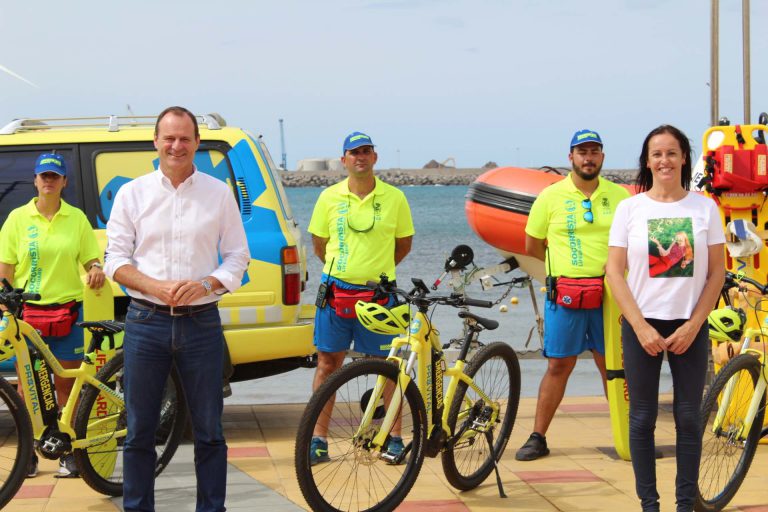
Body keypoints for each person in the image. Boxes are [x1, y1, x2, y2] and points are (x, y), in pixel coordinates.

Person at [104, 106, 250, 512]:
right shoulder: (133, 194)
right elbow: (115, 259)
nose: (176, 145)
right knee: (137, 432)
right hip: (145, 322)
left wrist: (206, 283)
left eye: (185, 138)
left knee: (209, 431)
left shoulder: (218, 193)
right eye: (169, 138)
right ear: (155, 142)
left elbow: (238, 256)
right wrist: (156, 286)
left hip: (202, 323)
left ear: (197, 144)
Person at [605, 125, 725, 512]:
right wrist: (639, 326)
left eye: (672, 153)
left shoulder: (705, 207)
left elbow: (717, 274)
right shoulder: (630, 208)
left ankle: (685, 504)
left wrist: (693, 325)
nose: (664, 160)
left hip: (689, 325)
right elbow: (613, 271)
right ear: (647, 161)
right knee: (641, 420)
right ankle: (649, 505)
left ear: (684, 157)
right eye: (657, 154)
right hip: (642, 327)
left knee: (689, 418)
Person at [515, 129, 631, 461]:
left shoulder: (620, 196)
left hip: (611, 295)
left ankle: (630, 435)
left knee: (612, 365)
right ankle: (538, 437)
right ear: (571, 157)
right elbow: (532, 245)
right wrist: (567, 268)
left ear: (602, 157)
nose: (588, 157)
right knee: (558, 365)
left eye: (594, 151)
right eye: (582, 152)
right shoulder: (550, 197)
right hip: (566, 294)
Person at [306, 131, 414, 465]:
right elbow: (319, 244)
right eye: (354, 153)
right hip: (337, 293)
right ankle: (318, 439)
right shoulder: (328, 197)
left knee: (388, 368)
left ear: (375, 157)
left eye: (366, 151)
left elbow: (403, 244)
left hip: (379, 297)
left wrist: (375, 273)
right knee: (328, 365)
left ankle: (394, 438)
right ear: (344, 160)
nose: (361, 157)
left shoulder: (395, 197)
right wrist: (348, 272)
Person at [0, 152, 105, 478]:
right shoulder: (18, 218)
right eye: (43, 176)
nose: (48, 181)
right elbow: (5, 268)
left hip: (68, 313)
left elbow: (91, 260)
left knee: (65, 385)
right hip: (28, 314)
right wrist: (4, 305)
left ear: (64, 182)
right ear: (35, 181)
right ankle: (29, 454)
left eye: (54, 176)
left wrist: (97, 269)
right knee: (26, 388)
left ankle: (68, 452)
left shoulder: (76, 219)